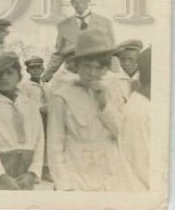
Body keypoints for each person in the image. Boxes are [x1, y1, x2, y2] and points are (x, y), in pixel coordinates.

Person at [48, 29, 123, 191]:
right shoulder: (62, 95)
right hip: (76, 173)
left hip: (109, 172)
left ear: (105, 68)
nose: (92, 73)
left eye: (99, 68)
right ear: (77, 65)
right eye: (87, 66)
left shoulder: (112, 89)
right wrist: (64, 184)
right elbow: (55, 145)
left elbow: (121, 133)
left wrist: (104, 105)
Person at [0, 53, 44, 190]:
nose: (4, 77)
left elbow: (39, 140)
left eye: (9, 73)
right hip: (1, 167)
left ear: (19, 76)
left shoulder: (29, 105)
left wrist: (32, 172)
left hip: (26, 166)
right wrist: (1, 176)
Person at [43, 0, 115, 82]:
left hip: (97, 75)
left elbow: (112, 52)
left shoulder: (104, 23)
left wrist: (115, 75)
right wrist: (46, 76)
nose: (77, 1)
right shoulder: (63, 26)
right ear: (71, 2)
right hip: (73, 76)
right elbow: (58, 54)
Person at [118, 47, 150, 191]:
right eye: (122, 60)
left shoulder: (143, 83)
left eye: (130, 59)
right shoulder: (115, 81)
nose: (126, 64)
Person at [20, 56, 52, 182]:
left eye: (39, 68)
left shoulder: (46, 85)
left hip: (46, 117)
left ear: (43, 69)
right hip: (32, 118)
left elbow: (50, 100)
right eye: (32, 68)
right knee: (33, 143)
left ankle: (45, 169)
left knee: (47, 142)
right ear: (28, 70)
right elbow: (23, 102)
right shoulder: (25, 86)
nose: (36, 70)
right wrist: (39, 108)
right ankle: (32, 171)